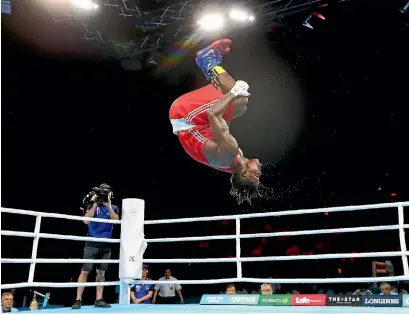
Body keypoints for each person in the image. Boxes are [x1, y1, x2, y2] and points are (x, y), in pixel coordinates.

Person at [169, 39, 262, 204]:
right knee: (239, 108)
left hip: (185, 116)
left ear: (245, 174)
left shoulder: (230, 153)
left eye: (256, 177)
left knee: (239, 99)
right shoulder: (235, 160)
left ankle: (208, 60)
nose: (260, 173)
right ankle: (209, 65)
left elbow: (213, 114)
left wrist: (233, 92)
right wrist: (230, 102)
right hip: (195, 124)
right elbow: (222, 124)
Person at [72, 184, 120, 309]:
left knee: (101, 272)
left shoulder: (114, 207)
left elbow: (116, 220)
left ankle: (99, 299)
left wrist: (108, 205)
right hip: (92, 243)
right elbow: (85, 221)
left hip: (106, 244)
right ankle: (78, 299)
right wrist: (93, 204)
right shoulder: (92, 206)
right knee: (85, 271)